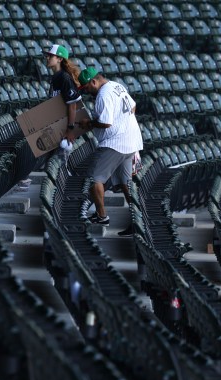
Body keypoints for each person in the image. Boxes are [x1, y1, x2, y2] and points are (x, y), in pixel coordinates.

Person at [68, 67, 143, 237]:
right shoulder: (117, 86)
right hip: (131, 140)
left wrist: (89, 123)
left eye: (87, 88)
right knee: (125, 183)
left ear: (94, 82)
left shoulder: (103, 94)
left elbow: (106, 122)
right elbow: (133, 107)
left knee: (94, 179)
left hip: (115, 143)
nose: (87, 92)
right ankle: (138, 220)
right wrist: (124, 123)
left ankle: (102, 217)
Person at [42, 44, 82, 140]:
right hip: (57, 125)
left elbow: (73, 105)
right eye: (47, 55)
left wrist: (70, 129)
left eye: (50, 56)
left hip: (65, 129)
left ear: (59, 59)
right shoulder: (56, 76)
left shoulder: (64, 77)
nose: (47, 58)